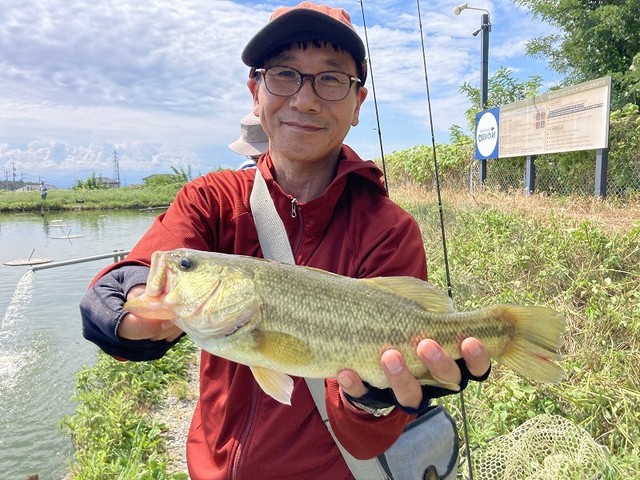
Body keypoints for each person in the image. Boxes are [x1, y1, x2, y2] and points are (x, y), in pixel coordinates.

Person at [79, 3, 491, 479]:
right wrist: (127, 308)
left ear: (359, 104)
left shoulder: (389, 229)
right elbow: (120, 285)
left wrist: (375, 398)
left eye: (332, 79)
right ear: (256, 92)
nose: (306, 99)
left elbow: (364, 438)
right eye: (283, 74)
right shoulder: (211, 199)